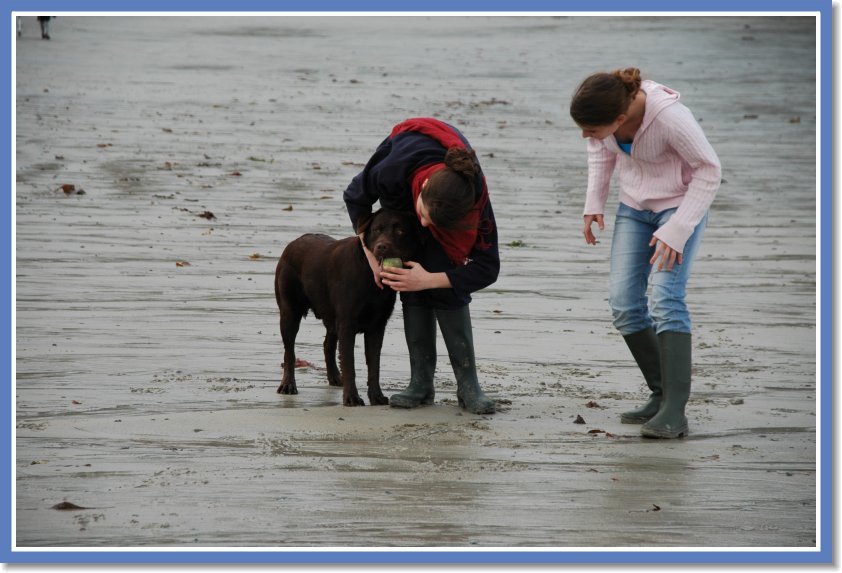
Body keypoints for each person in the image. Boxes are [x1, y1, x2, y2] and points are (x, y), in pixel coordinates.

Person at [569, 68, 721, 439]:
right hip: (635, 208)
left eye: (591, 127)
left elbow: (709, 170)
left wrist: (679, 228)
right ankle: (660, 394)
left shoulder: (669, 117)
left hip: (681, 207)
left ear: (621, 119)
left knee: (667, 297)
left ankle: (674, 411)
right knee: (624, 303)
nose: (585, 135)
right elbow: (599, 151)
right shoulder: (606, 122)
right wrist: (594, 203)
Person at [344, 117, 500, 415]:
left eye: (433, 224)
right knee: (408, 275)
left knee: (443, 272)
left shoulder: (473, 198)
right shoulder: (389, 172)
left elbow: (488, 267)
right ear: (424, 187)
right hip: (403, 186)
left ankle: (469, 386)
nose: (425, 225)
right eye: (424, 217)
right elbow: (355, 198)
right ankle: (420, 383)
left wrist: (430, 279)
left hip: (440, 198)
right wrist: (372, 259)